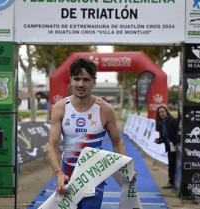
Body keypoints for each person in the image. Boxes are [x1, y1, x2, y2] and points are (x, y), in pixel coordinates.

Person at [47, 58, 137, 208]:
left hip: (94, 174)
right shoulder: (60, 107)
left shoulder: (105, 109)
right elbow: (52, 145)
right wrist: (58, 174)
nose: (80, 84)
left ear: (94, 81)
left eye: (86, 79)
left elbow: (117, 142)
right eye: (76, 79)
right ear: (70, 80)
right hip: (67, 173)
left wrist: (126, 170)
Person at [154, 106, 178, 189]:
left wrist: (177, 143)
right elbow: (163, 137)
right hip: (170, 148)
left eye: (163, 112)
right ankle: (171, 182)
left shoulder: (173, 120)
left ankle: (178, 182)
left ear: (167, 111)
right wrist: (159, 140)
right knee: (171, 165)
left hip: (177, 147)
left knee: (177, 164)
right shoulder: (161, 124)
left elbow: (179, 133)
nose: (161, 114)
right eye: (159, 113)